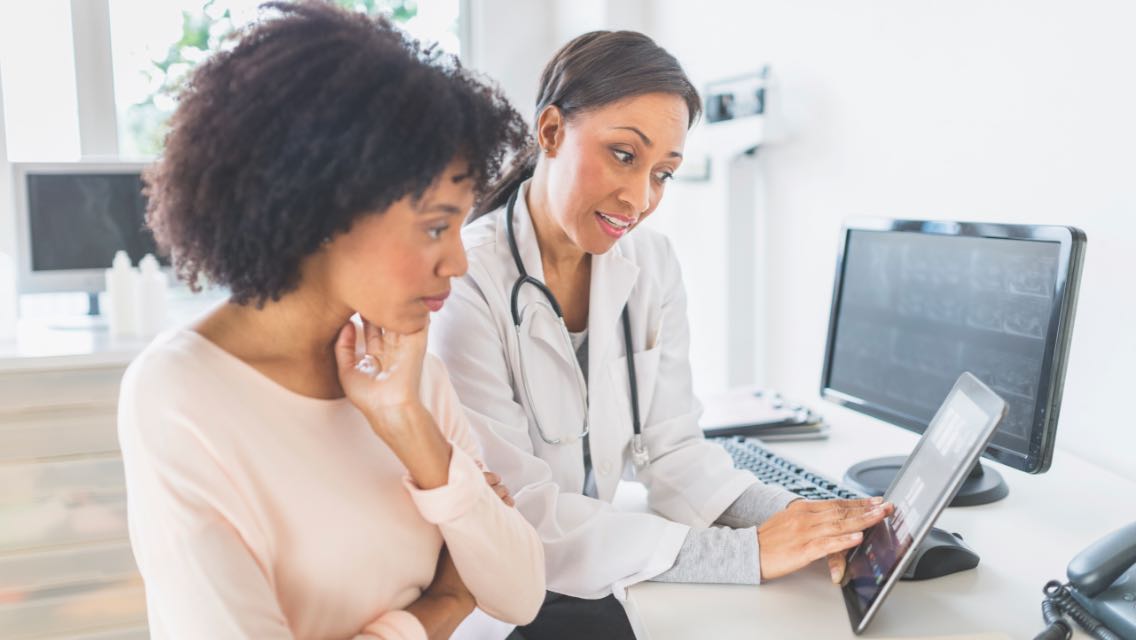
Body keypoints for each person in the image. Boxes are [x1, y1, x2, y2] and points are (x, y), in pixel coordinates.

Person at [429, 30, 892, 638]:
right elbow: (522, 515)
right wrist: (746, 554)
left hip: (608, 558)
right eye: (624, 155)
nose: (640, 198)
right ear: (549, 132)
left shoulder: (651, 264)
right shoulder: (465, 281)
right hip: (505, 595)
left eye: (664, 174)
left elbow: (674, 452)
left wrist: (808, 522)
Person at [117, 3, 544, 638]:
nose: (457, 261)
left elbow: (519, 592)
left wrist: (407, 427)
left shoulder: (406, 372)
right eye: (434, 226)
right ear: (320, 208)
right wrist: (443, 605)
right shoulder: (180, 395)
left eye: (460, 225)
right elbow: (473, 590)